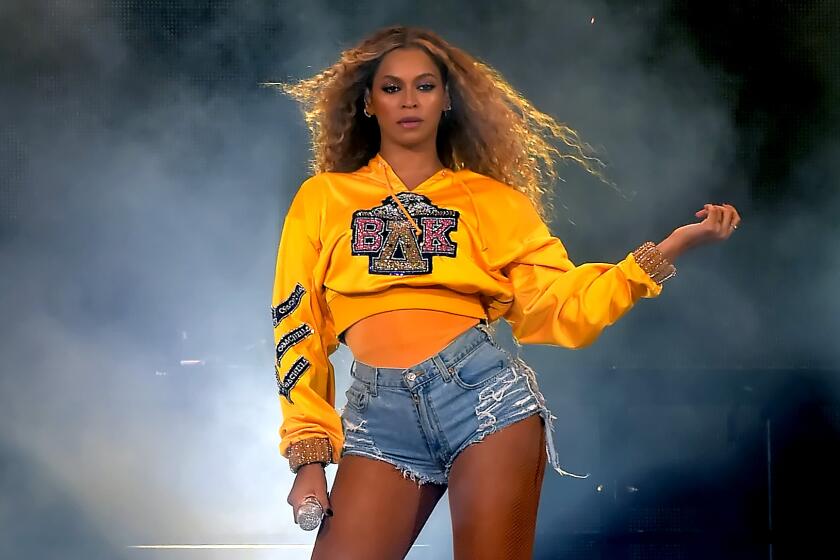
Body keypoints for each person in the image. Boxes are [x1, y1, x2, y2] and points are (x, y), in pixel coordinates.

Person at [264, 25, 740, 559]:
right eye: (392, 88)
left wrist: (664, 253)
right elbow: (296, 323)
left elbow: (559, 306)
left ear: (446, 99)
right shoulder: (324, 198)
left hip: (484, 400)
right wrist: (309, 458)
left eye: (425, 86)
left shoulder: (494, 201)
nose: (409, 101)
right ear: (368, 103)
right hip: (378, 416)